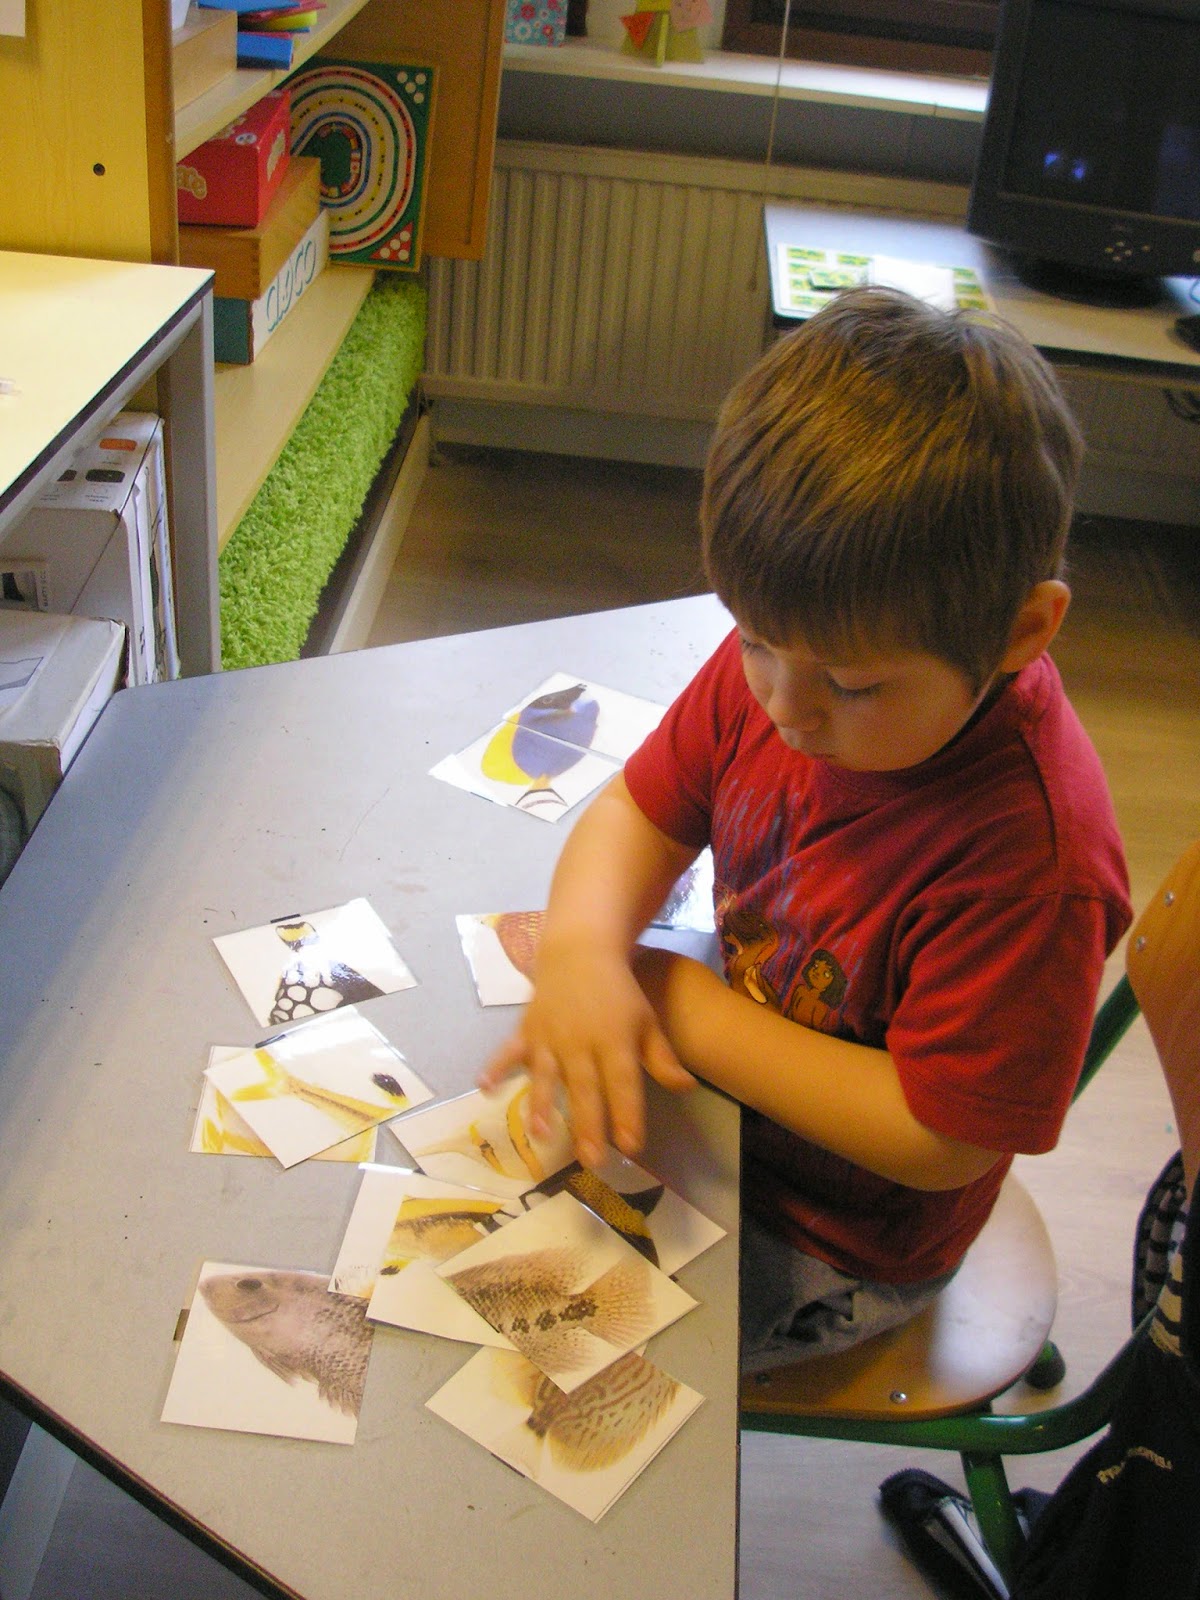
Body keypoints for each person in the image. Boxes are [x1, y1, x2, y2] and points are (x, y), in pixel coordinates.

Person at [479, 286, 1132, 1372]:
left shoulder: (1032, 864)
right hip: (722, 1109)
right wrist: (589, 948)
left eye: (854, 686)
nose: (784, 707)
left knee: (541, 1357)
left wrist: (674, 997)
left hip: (839, 1239)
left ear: (1023, 630)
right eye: (752, 642)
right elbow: (639, 808)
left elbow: (943, 1139)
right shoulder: (807, 648)